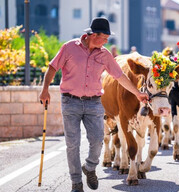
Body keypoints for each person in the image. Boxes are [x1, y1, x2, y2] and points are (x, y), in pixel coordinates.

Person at [39, 17, 148, 192]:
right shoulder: (69, 48)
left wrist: (138, 94)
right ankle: (76, 183)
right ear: (92, 35)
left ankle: (89, 167)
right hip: (70, 101)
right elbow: (52, 67)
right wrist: (44, 90)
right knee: (72, 144)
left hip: (94, 103)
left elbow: (120, 76)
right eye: (104, 37)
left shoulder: (104, 54)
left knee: (97, 140)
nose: (106, 41)